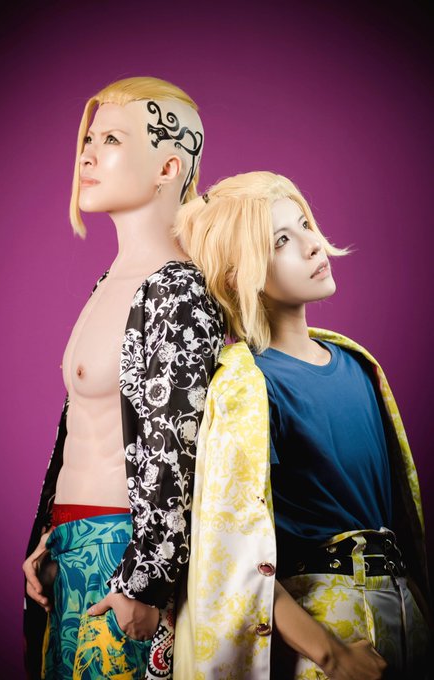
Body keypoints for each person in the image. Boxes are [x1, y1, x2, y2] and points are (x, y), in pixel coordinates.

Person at [172, 171, 431, 679]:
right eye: (281, 241)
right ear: (235, 276)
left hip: (408, 616)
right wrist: (330, 653)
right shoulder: (248, 384)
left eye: (305, 225)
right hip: (325, 628)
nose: (313, 245)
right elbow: (232, 550)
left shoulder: (359, 365)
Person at [22, 76, 224, 680]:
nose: (86, 155)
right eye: (89, 139)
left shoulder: (179, 289)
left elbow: (174, 449)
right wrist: (48, 537)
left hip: (125, 554)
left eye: (111, 139)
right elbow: (87, 429)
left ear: (167, 167)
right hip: (73, 545)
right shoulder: (111, 282)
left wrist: (147, 579)